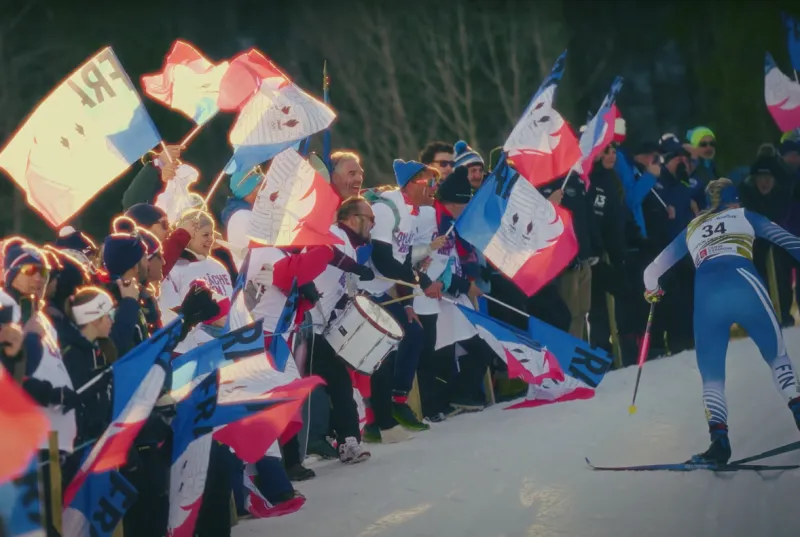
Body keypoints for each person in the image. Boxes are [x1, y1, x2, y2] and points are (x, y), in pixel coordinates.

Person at [643, 178, 800, 465]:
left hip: (707, 299)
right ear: (734, 200)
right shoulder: (744, 215)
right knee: (777, 357)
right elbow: (791, 243)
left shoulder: (691, 228)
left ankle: (719, 442)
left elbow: (651, 272)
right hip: (743, 283)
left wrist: (653, 291)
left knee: (712, 376)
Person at [308, 196, 376, 463]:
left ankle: (346, 440)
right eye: (369, 218)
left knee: (338, 384)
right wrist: (356, 268)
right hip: (305, 325)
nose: (372, 224)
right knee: (336, 384)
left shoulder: (350, 242)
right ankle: (338, 441)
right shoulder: (337, 233)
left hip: (322, 326)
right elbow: (326, 252)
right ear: (351, 219)